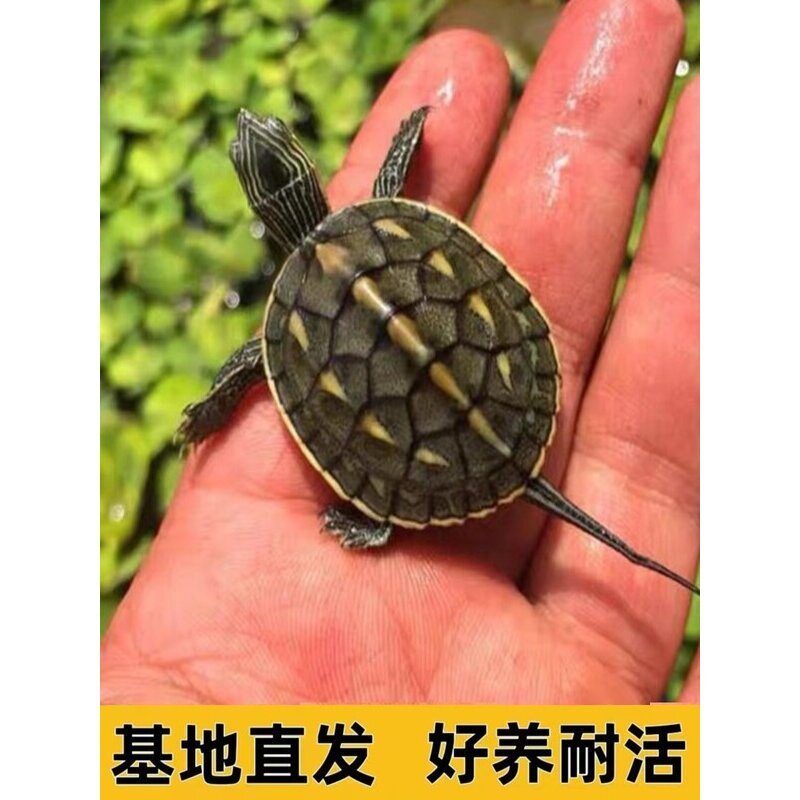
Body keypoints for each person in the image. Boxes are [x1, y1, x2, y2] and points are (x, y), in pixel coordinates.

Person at [101, 0, 699, 705]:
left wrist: (206, 413)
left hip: (434, 459)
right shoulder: (376, 219)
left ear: (266, 210)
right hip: (506, 388)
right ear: (305, 173)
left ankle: (380, 517)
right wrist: (409, 137)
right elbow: (393, 183)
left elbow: (251, 369)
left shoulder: (285, 331)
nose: (253, 133)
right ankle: (381, 517)